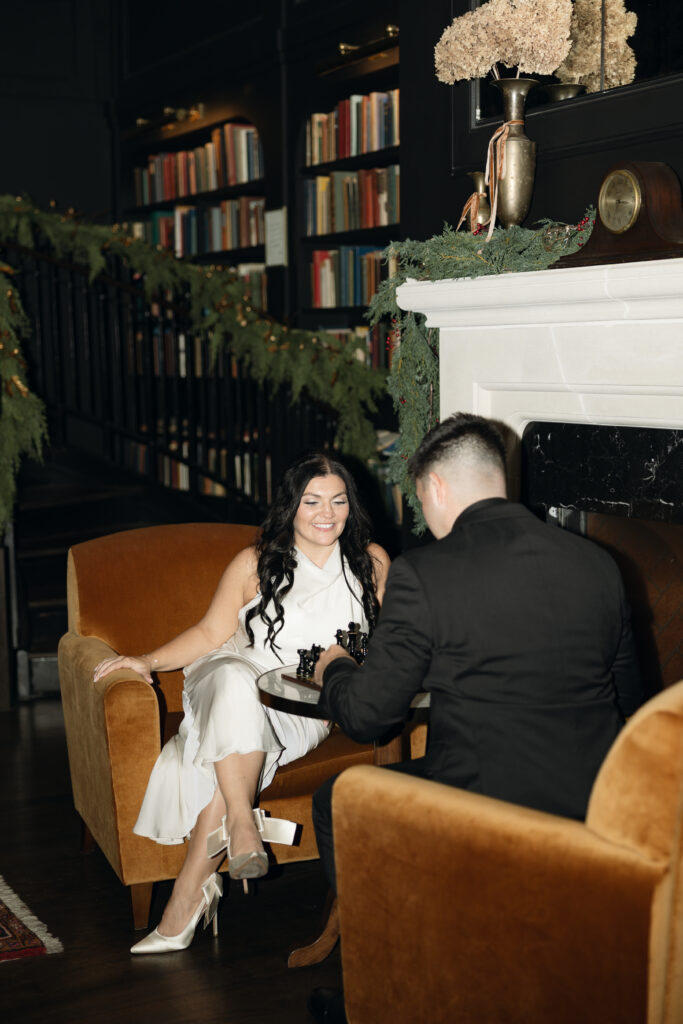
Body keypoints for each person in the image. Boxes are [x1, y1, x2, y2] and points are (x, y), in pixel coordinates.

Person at [307, 412, 643, 1024]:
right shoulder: (599, 563)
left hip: (483, 811)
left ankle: (394, 985)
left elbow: (369, 716)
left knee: (336, 797)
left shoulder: (424, 574)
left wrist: (335, 669)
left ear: (436, 488)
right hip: (596, 801)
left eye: (421, 502)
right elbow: (631, 700)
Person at [92, 452, 390, 955]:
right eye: (312, 501)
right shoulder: (257, 562)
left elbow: (388, 640)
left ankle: (191, 895)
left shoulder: (372, 561)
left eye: (338, 501)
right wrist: (147, 660)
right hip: (238, 671)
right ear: (291, 506)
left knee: (234, 742)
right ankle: (241, 823)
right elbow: (211, 632)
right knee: (233, 684)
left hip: (303, 703)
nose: (326, 513)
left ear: (351, 506)